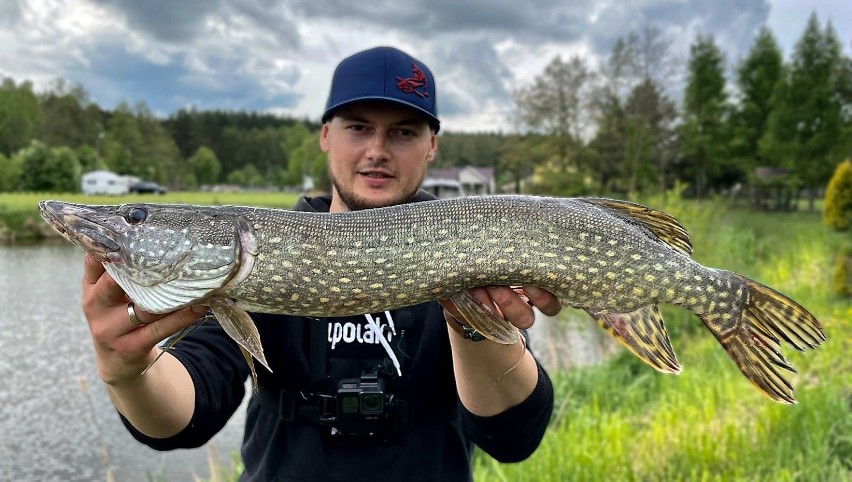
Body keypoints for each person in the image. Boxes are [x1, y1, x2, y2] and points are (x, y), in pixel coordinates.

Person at [81, 46, 561, 481]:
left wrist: (474, 324)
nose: (377, 150)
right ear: (326, 136)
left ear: (431, 145)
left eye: (403, 131)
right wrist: (127, 370)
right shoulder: (255, 255)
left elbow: (513, 437)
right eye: (358, 126)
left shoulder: (467, 240)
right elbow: (186, 413)